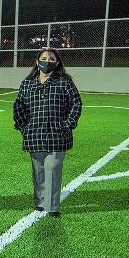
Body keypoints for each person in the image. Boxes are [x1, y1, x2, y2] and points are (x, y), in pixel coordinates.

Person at [13, 47, 82, 217]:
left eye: (52, 59)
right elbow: (18, 105)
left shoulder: (64, 81)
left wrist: (68, 124)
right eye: (44, 58)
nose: (47, 61)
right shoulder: (27, 83)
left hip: (58, 134)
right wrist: (23, 126)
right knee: (39, 171)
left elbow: (76, 103)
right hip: (34, 134)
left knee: (52, 167)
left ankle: (52, 206)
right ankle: (40, 201)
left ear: (57, 63)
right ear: (37, 62)